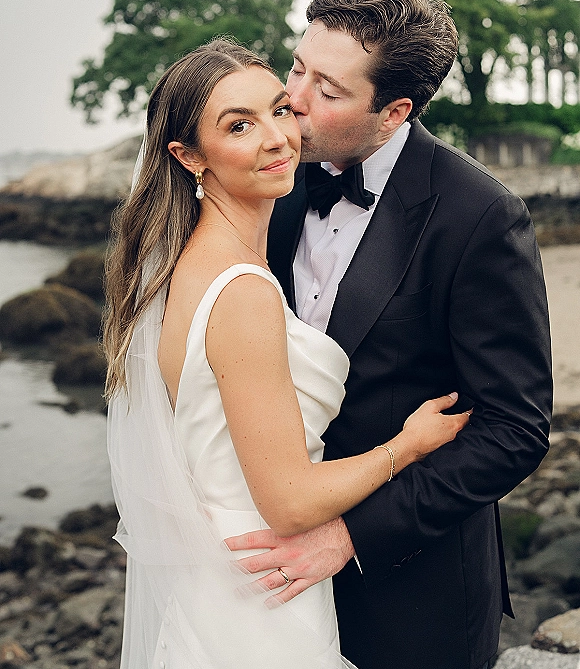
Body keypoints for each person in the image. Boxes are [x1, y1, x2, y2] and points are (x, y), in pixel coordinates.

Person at [104, 38, 469, 669]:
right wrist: (405, 446)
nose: (277, 137)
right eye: (239, 126)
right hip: (264, 590)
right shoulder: (241, 291)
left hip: (216, 579)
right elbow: (290, 501)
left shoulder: (183, 271)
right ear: (189, 157)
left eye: (280, 109)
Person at [225, 0, 553, 669]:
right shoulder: (272, 181)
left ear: (395, 109)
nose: (295, 99)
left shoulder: (481, 216)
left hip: (415, 595)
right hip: (273, 584)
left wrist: (349, 534)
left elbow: (514, 428)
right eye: (297, 68)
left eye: (330, 90)